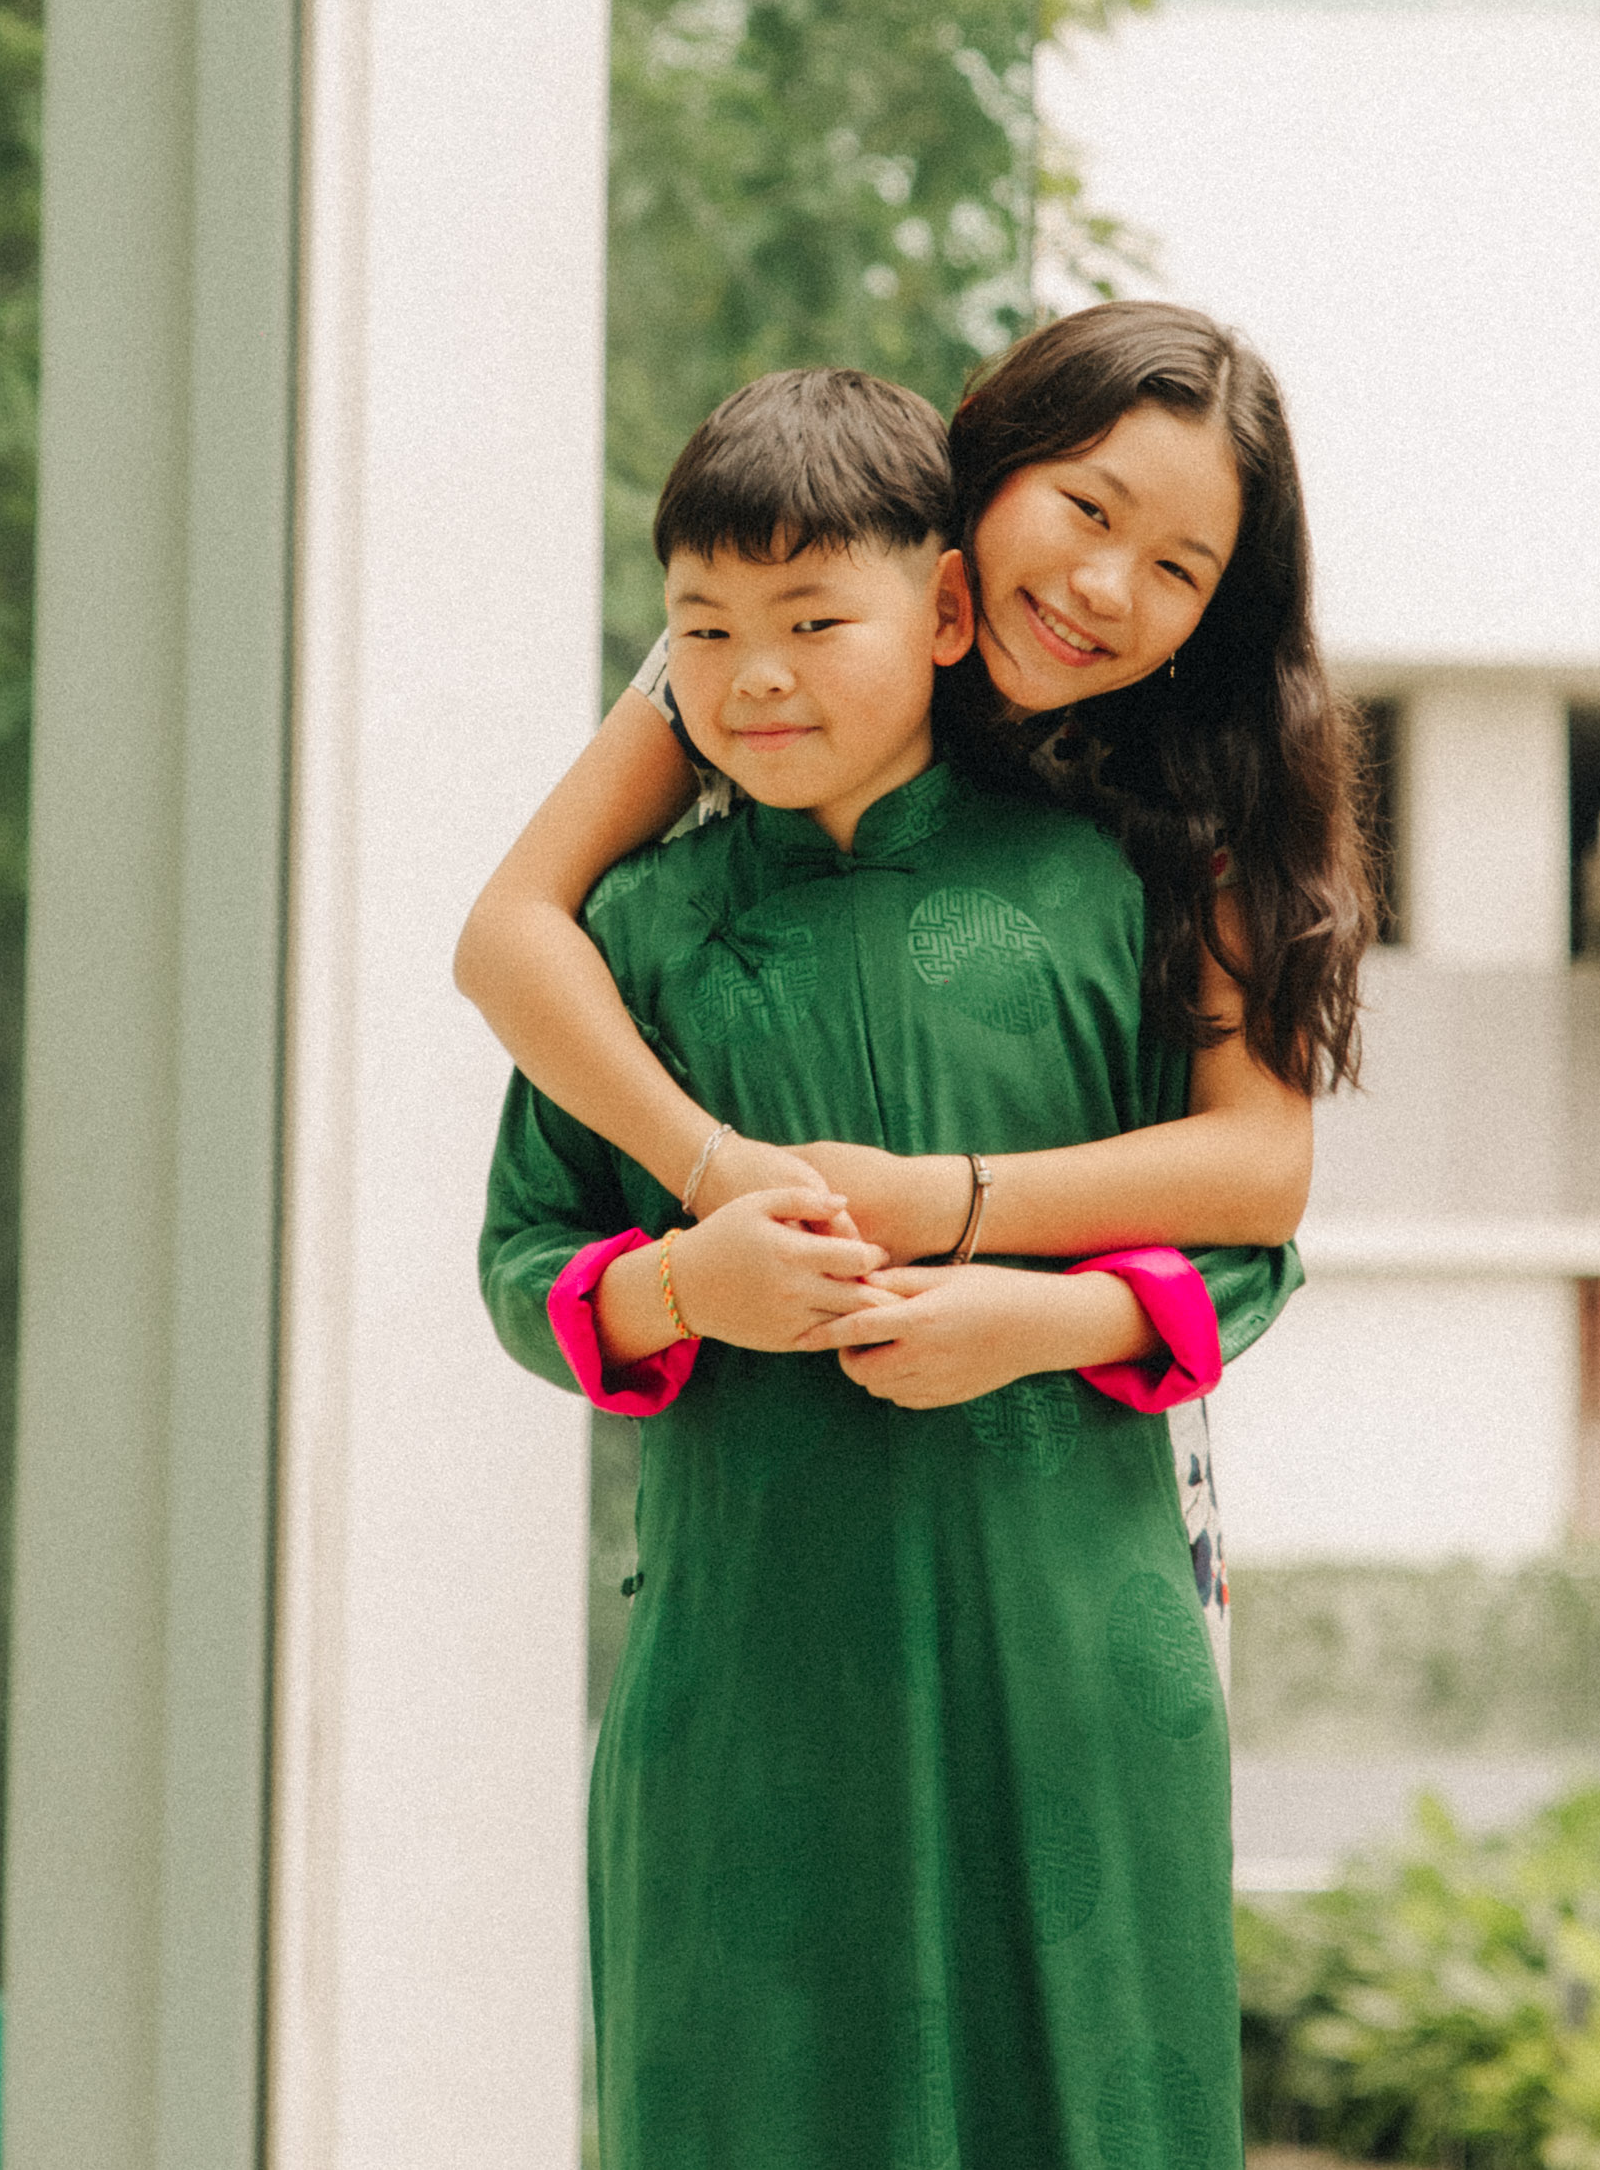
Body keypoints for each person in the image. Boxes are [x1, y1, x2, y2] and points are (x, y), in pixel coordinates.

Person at [480, 368, 1298, 2169]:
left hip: (1072, 1674)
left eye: (1169, 561)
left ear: (925, 614)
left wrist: (1037, 1314)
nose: (755, 672)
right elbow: (527, 1259)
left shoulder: (1134, 886)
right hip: (746, 1694)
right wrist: (692, 1280)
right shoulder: (639, 928)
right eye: (706, 628)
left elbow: (1251, 1229)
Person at [456, 301, 1375, 1653]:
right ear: (987, 475)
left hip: (1073, 1549)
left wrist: (942, 1214)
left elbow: (1256, 1172)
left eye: (1178, 570)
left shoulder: (1194, 783)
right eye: (1084, 509)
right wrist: (713, 1175)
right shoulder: (779, 636)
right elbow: (509, 934)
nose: (1105, 587)